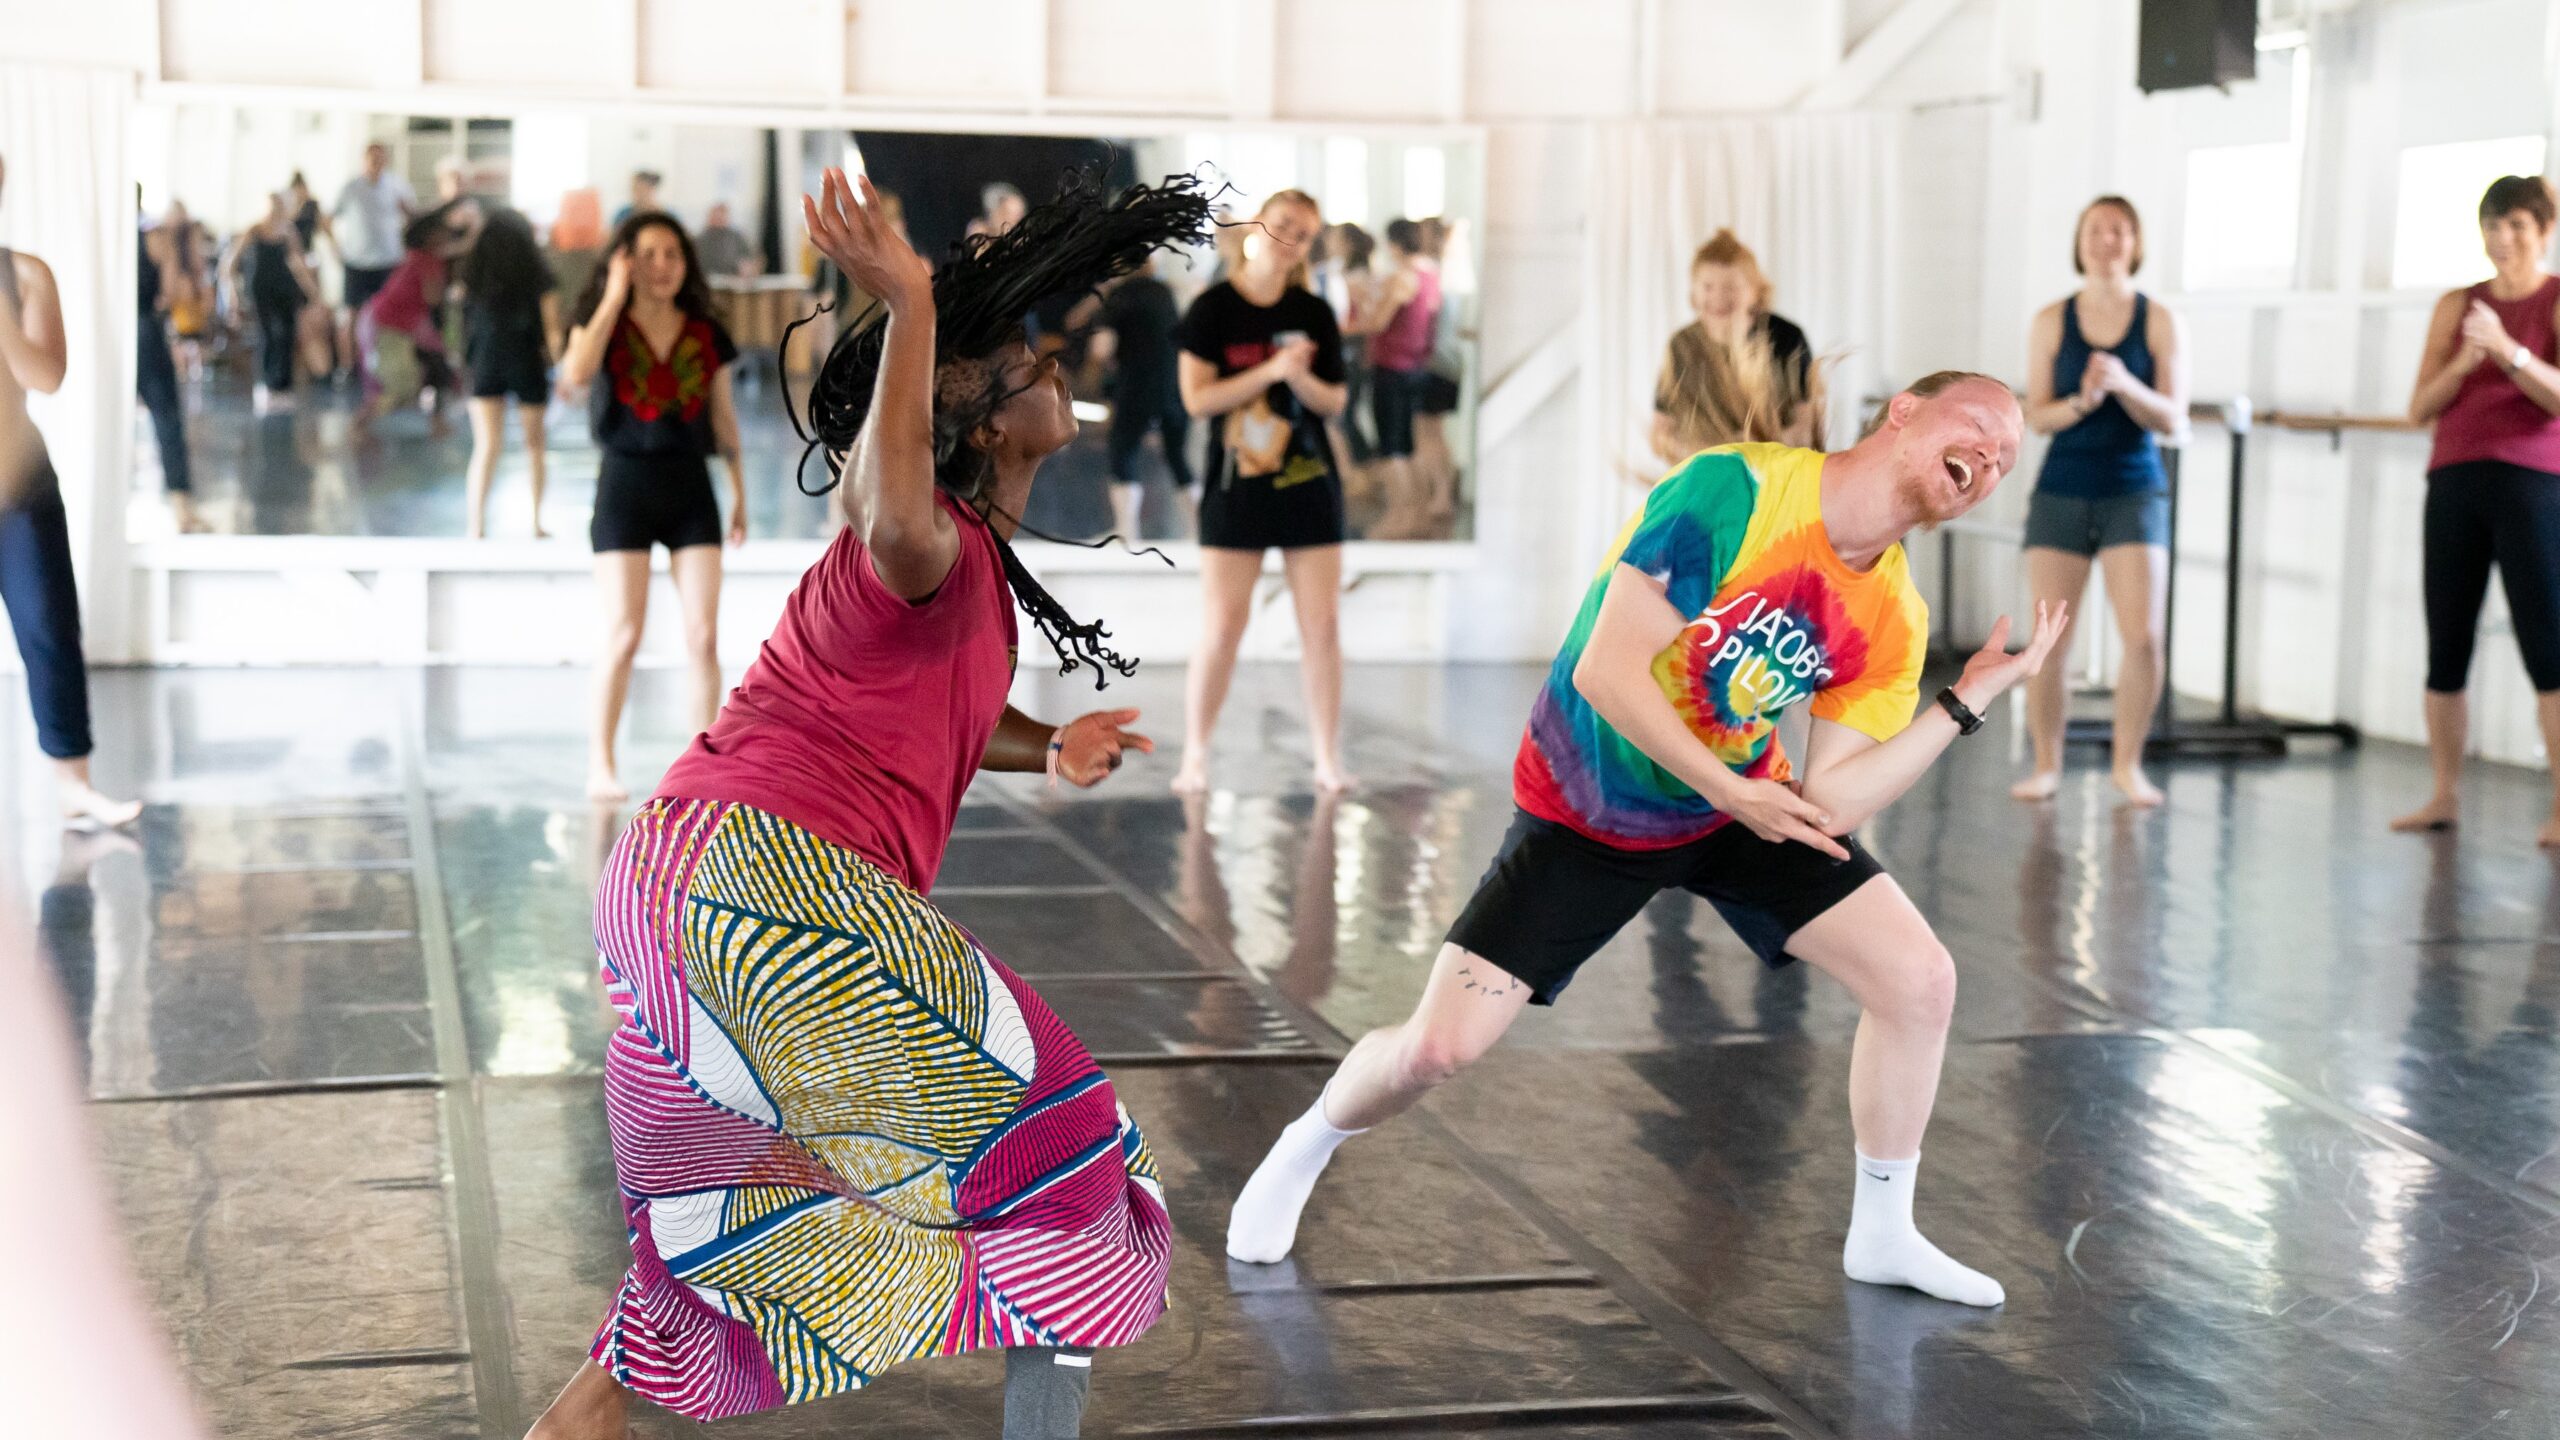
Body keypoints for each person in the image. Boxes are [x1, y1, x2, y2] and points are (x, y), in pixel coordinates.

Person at [518, 165, 1203, 1440]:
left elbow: (934, 716)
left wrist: (1048, 746)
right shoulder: (920, 532)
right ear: (979, 416)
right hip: (770, 886)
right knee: (1070, 1166)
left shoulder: (964, 580)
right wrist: (908, 300)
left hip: (671, 889)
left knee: (703, 1263)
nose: (1054, 365)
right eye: (1027, 355)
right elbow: (885, 510)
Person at [1225, 372, 2066, 1311]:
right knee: (1437, 1052)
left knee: (1921, 980)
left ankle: (1883, 1233)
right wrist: (1734, 792)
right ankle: (1310, 1140)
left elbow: (1831, 799)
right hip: (1594, 803)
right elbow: (1608, 671)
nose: (1990, 459)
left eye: (2007, 460)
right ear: (1904, 412)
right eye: (1979, 429)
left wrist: (1968, 700)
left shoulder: (1893, 616)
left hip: (1733, 806)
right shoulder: (1736, 491)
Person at [558, 211, 748, 802]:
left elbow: (722, 417)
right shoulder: (602, 323)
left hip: (691, 486)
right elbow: (575, 373)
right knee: (623, 634)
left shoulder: (704, 330)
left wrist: (739, 491)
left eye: (672, 253)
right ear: (626, 260)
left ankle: (701, 771)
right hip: (625, 486)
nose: (662, 265)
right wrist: (615, 295)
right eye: (648, 254)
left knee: (703, 636)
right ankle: (601, 760)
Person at [1170, 189, 1355, 795]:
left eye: (1302, 232)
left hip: (1307, 483)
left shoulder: (1315, 312)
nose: (1289, 239)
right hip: (1236, 487)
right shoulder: (1212, 309)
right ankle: (1195, 754)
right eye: (1281, 225)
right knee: (1224, 624)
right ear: (1258, 227)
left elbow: (1335, 402)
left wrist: (1298, 376)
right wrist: (1268, 372)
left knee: (1321, 626)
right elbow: (1198, 401)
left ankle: (1327, 758)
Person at [2009, 196, 2188, 809]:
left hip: (2133, 489)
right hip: (2063, 488)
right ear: (2079, 240)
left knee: (2144, 638)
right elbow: (2036, 415)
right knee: (2050, 642)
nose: (2107, 240)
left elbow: (2173, 416)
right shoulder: (2051, 321)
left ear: (2135, 243)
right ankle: (2047, 765)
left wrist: (2125, 384)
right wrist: (2085, 398)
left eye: (2119, 230)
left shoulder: (2159, 320)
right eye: (2095, 229)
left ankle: (2127, 766)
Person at [2396, 175, 2560, 843]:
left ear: (2542, 231)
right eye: (2494, 225)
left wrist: (2511, 352)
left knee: (2547, 647)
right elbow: (2418, 408)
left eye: (2517, 225)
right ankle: (2443, 794)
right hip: (2455, 481)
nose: (2503, 238)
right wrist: (2467, 360)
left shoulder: (2553, 301)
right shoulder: (2457, 305)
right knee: (2447, 644)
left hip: (2533, 484)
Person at [0, 155, 144, 829]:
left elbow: (46, 376)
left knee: (50, 631)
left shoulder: (26, 273)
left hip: (19, 485)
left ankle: (73, 783)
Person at [1650, 229, 1819, 463]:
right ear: (1694, 292)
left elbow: (1808, 428)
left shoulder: (1788, 338)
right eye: (1707, 287)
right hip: (1702, 473)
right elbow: (1660, 434)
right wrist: (1711, 455)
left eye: (1731, 287)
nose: (1718, 297)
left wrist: (1749, 449)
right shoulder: (1680, 346)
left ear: (1756, 291)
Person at [456, 207, 562, 539]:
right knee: (534, 445)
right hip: (526, 359)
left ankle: (477, 526)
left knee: (486, 445)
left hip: (485, 361)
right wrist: (562, 369)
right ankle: (535, 523)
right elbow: (554, 331)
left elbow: (463, 325)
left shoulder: (472, 275)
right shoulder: (539, 275)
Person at [1353, 218, 1444, 539]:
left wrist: (1355, 314)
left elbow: (1377, 322)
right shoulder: (1431, 275)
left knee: (1392, 449)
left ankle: (1401, 516)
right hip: (1416, 368)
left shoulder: (1403, 278)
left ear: (1394, 244)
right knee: (1407, 446)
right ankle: (1415, 515)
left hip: (1393, 369)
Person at [1089, 261, 1193, 540]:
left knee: (1123, 451)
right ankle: (1197, 530)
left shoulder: (1120, 296)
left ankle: (1127, 532)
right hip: (1175, 386)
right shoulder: (1164, 292)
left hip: (1136, 385)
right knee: (1177, 456)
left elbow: (1101, 348)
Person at [356, 198, 478, 433]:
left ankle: (437, 422)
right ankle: (360, 425)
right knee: (400, 388)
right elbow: (433, 299)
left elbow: (460, 248)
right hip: (387, 327)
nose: (447, 235)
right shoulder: (426, 262)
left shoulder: (423, 258)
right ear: (430, 236)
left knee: (437, 368)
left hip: (398, 325)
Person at [219, 190, 322, 414]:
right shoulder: (254, 230)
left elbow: (299, 263)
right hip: (261, 290)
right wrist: (232, 294)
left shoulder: (288, 232)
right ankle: (266, 384)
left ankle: (283, 386)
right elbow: (231, 263)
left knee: (286, 335)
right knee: (266, 335)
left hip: (285, 290)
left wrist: (313, 293)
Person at [327, 142, 419, 380]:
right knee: (351, 315)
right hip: (357, 262)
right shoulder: (351, 188)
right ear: (364, 160)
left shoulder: (397, 186)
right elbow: (327, 219)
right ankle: (348, 367)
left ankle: (387, 365)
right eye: (371, 158)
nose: (376, 163)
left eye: (380, 158)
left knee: (389, 316)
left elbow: (414, 217)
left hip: (388, 261)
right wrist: (335, 248)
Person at [137, 207, 199, 532]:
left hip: (105, 335)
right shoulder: (155, 238)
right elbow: (171, 291)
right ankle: (182, 509)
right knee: (167, 418)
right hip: (145, 332)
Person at [693, 200, 756, 278]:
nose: (719, 218)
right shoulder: (700, 239)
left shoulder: (736, 237)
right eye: (716, 215)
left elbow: (748, 259)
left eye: (722, 215)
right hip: (707, 279)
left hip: (733, 280)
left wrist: (746, 268)